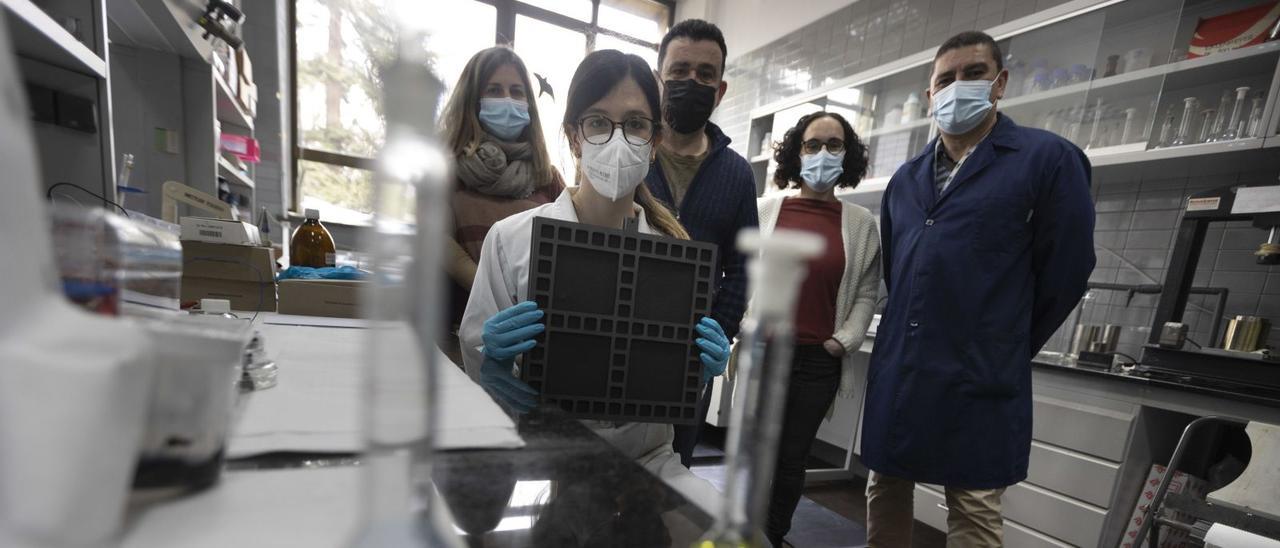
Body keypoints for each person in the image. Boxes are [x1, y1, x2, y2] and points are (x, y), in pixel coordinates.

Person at [459, 49, 729, 513]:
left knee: (732, 534)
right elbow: (477, 357)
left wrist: (698, 375)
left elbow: (670, 384)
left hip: (647, 463)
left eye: (636, 124)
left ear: (655, 140)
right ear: (574, 136)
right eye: (598, 122)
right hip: (541, 461)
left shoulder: (675, 252)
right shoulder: (512, 239)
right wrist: (491, 369)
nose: (618, 140)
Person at [862, 31, 1095, 547]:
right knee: (885, 489)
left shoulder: (1046, 160)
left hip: (980, 373)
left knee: (973, 508)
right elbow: (900, 275)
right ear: (929, 95)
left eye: (973, 73)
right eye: (945, 79)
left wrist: (1003, 342)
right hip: (904, 365)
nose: (957, 87)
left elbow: (1068, 272)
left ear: (1000, 82)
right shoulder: (906, 180)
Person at [754, 111, 881, 547]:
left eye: (834, 145)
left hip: (817, 361)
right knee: (755, 454)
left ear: (847, 156)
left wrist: (843, 340)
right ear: (796, 152)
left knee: (791, 460)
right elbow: (741, 276)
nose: (822, 154)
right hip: (765, 353)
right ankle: (741, 530)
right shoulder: (765, 211)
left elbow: (866, 292)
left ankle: (771, 536)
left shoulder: (861, 224)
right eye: (812, 145)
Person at [649, 18, 759, 468]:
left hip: (690, 357)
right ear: (659, 79)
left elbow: (744, 265)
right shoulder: (632, 153)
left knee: (674, 470)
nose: (691, 82)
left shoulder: (736, 173)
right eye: (679, 71)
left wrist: (719, 334)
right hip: (619, 337)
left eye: (705, 75)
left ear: (721, 89)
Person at [440, 46, 565, 365]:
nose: (507, 100)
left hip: (538, 347)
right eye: (494, 90)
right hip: (461, 343)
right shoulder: (446, 171)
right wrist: (499, 294)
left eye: (516, 91)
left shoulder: (547, 178)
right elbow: (438, 245)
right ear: (472, 99)